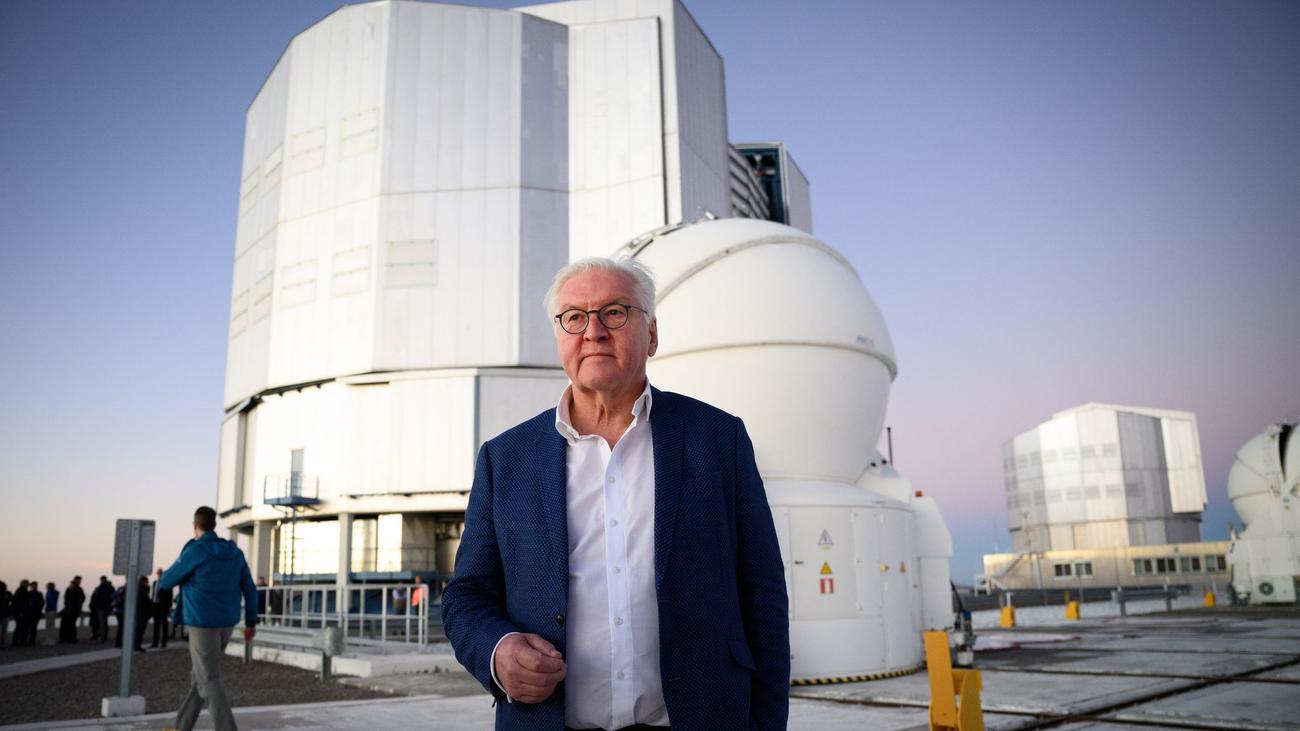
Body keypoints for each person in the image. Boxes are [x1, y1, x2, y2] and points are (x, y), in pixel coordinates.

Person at [441, 258, 790, 731]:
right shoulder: (505, 460)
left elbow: (762, 594)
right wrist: (498, 652)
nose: (594, 332)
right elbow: (466, 597)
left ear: (652, 334)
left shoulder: (717, 439)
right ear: (559, 336)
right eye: (574, 317)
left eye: (615, 312)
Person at [158, 506, 259, 731]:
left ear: (195, 526)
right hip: (227, 623)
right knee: (201, 676)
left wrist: (183, 558)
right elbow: (250, 589)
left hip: (201, 622)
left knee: (209, 679)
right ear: (214, 525)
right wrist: (251, 622)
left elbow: (166, 581)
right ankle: (181, 726)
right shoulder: (234, 552)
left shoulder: (195, 551)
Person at [150, 568, 174, 648]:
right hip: (155, 605)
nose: (159, 575)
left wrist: (169, 606)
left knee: (164, 624)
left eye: (160, 573)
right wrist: (152, 604)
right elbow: (153, 594)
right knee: (156, 624)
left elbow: (170, 595)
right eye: (158, 573)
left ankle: (164, 642)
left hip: (163, 606)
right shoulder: (155, 583)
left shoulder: (167, 583)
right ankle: (155, 643)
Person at [60, 576, 86, 643]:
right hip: (70, 610)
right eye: (78, 580)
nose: (79, 582)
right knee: (68, 624)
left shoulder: (78, 589)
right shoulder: (72, 589)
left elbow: (81, 599)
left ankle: (70, 638)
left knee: (70, 624)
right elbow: (67, 599)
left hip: (73, 610)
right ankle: (67, 638)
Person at [90, 576, 114, 642]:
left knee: (102, 623)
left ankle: (102, 637)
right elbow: (113, 597)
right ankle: (104, 636)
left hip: (101, 607)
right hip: (107, 607)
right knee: (104, 622)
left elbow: (95, 597)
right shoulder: (110, 588)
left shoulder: (100, 588)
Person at [0, 580, 10, 646]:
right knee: (4, 630)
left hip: (5, 614)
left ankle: (2, 644)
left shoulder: (7, 593)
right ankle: (2, 644)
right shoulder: (7, 593)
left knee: (4, 630)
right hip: (5, 613)